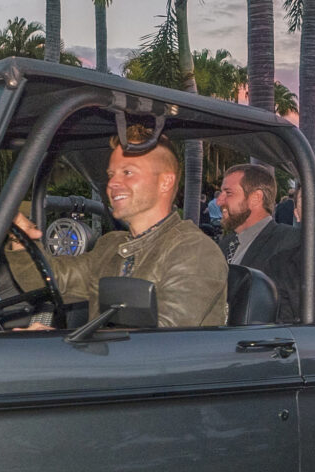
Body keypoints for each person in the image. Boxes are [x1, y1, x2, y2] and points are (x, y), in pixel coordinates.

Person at [16, 129, 227, 328]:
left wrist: (65, 348)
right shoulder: (111, 246)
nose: (112, 183)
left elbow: (159, 342)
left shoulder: (194, 251)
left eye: (127, 172)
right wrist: (21, 240)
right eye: (111, 174)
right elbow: (52, 282)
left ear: (165, 182)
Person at [218, 162, 306, 318]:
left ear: (256, 198)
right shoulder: (226, 243)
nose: (219, 201)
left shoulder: (290, 242)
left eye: (228, 193)